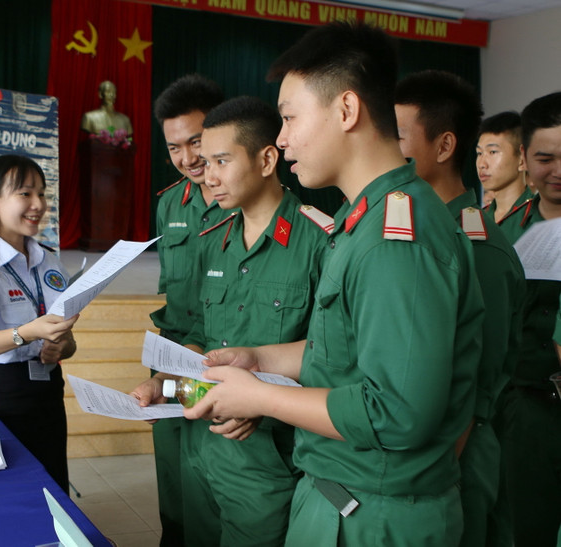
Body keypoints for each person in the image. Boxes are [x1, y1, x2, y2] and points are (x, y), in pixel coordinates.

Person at [182, 22, 484, 545]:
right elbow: (345, 352)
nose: (280, 138)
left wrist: (260, 398)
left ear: (346, 110)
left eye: (289, 117)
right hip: (342, 498)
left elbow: (395, 413)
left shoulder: (397, 238)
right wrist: (262, 360)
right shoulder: (361, 219)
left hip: (375, 515)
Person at [167, 95, 329, 546]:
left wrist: (262, 396)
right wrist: (169, 375)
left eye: (221, 160)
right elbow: (201, 331)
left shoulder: (318, 242)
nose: (208, 175)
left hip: (266, 459)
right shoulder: (214, 238)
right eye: (205, 161)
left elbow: (332, 353)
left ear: (265, 158)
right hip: (200, 444)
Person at [395, 70, 526, 547]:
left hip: (456, 461)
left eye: (400, 136)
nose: (389, 150)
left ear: (444, 146)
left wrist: (422, 481)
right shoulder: (421, 231)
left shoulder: (478, 250)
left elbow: (475, 389)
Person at [0, 154, 79, 493]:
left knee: (54, 486)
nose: (38, 204)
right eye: (25, 193)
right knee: (18, 494)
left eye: (41, 193)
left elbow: (70, 340)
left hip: (50, 391)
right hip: (6, 396)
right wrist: (28, 333)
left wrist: (61, 344)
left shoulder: (49, 260)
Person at [141, 73, 224, 546]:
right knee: (172, 477)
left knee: (213, 480)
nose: (187, 159)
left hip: (220, 356)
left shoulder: (250, 202)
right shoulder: (171, 203)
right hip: (171, 357)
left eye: (196, 141)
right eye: (174, 148)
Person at [496, 92, 561, 546]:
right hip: (523, 413)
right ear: (523, 158)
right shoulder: (503, 231)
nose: (558, 171)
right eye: (545, 158)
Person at [476, 111, 532, 223]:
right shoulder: (477, 220)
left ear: (522, 160)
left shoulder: (539, 215)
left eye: (492, 152)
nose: (482, 164)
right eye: (479, 153)